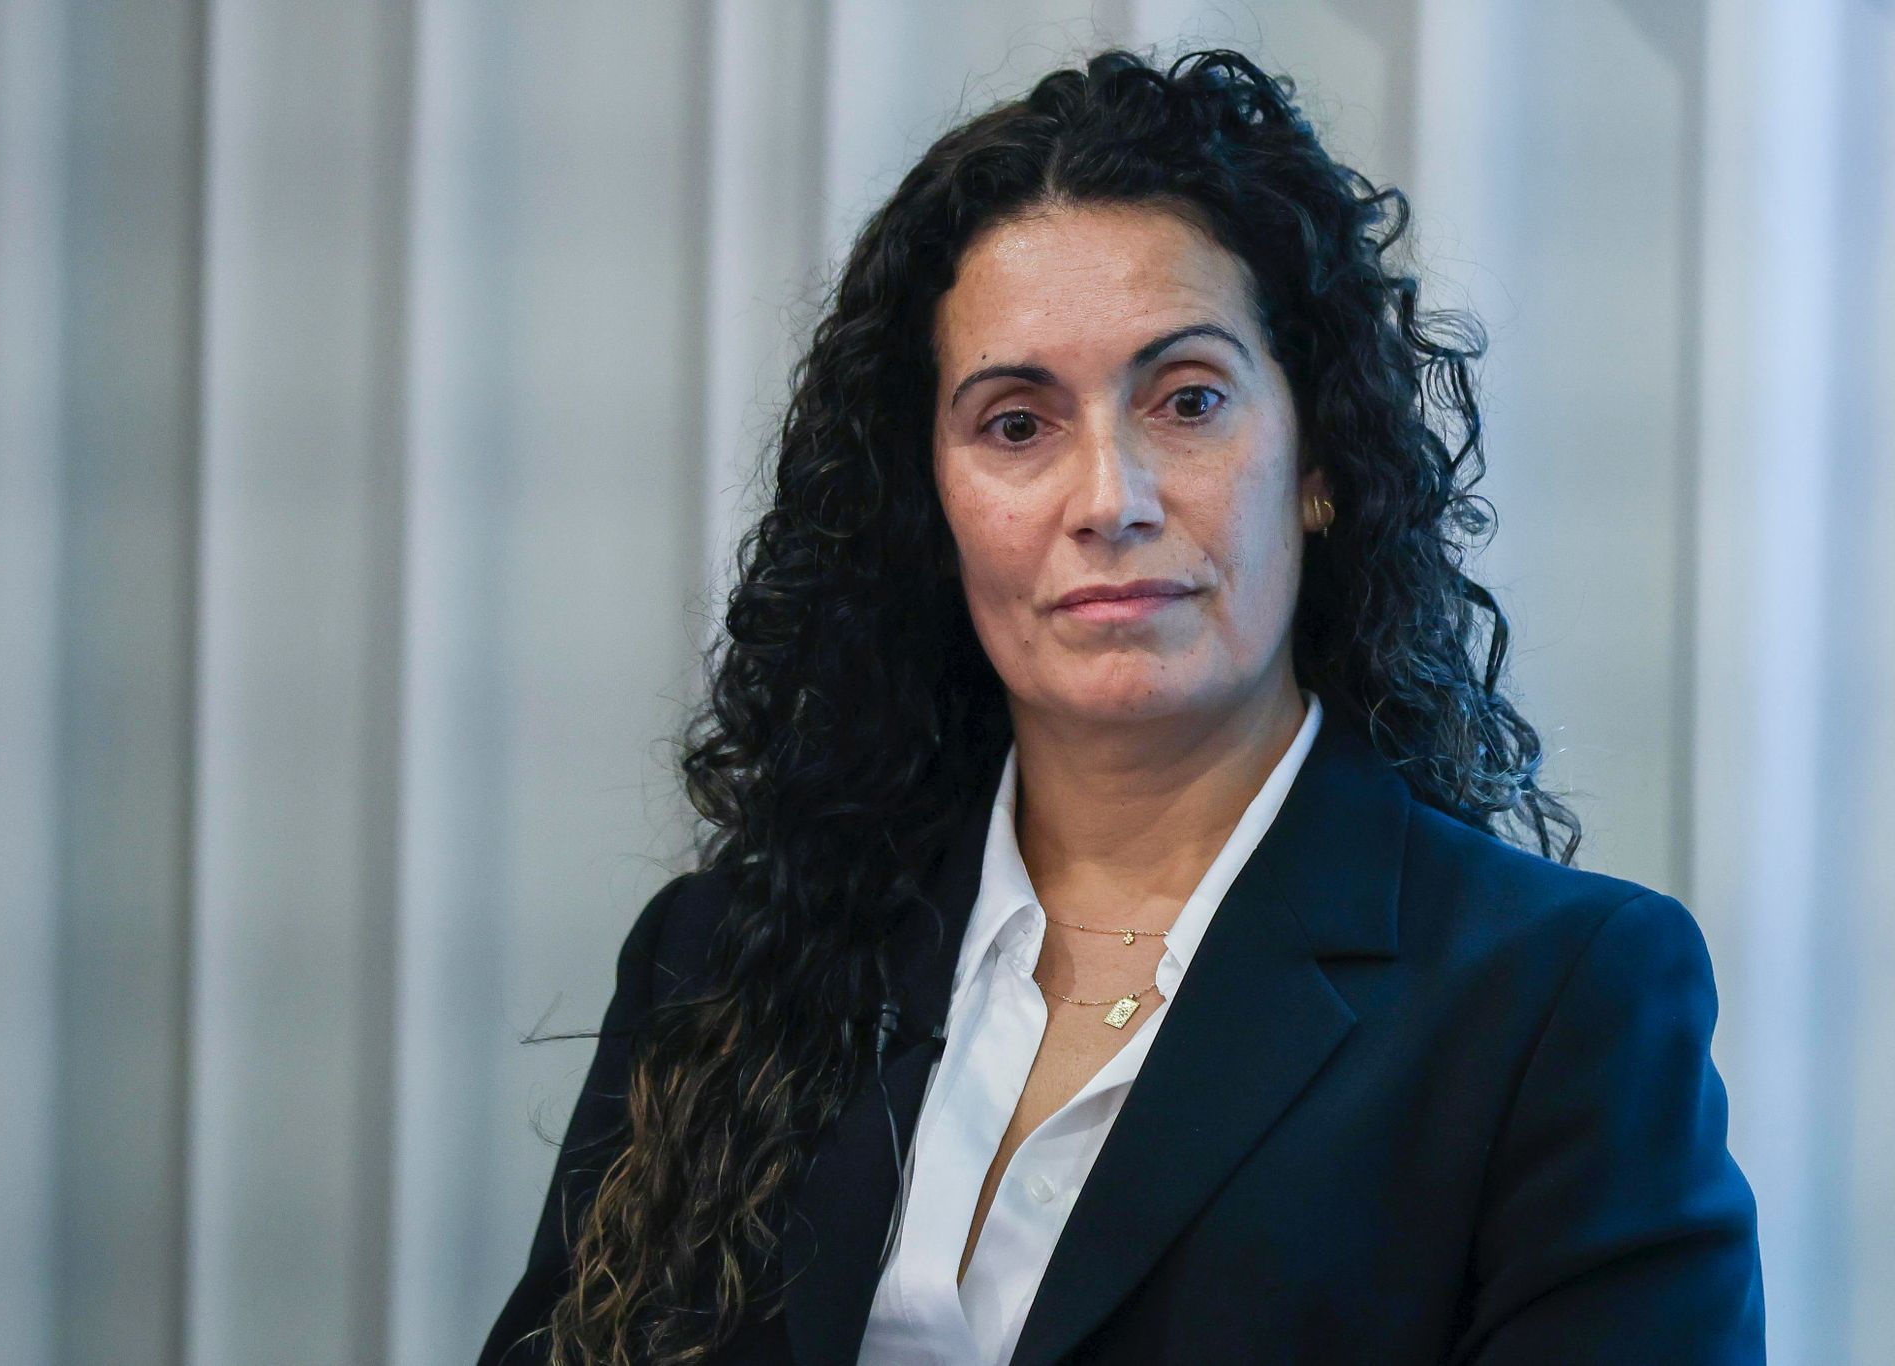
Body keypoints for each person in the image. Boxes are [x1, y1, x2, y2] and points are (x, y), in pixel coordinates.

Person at [479, 48, 1763, 1365]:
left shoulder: (1557, 1001)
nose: (1111, 499)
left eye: (1188, 400)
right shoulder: (725, 957)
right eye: (1016, 424)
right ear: (931, 503)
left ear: (1318, 459)